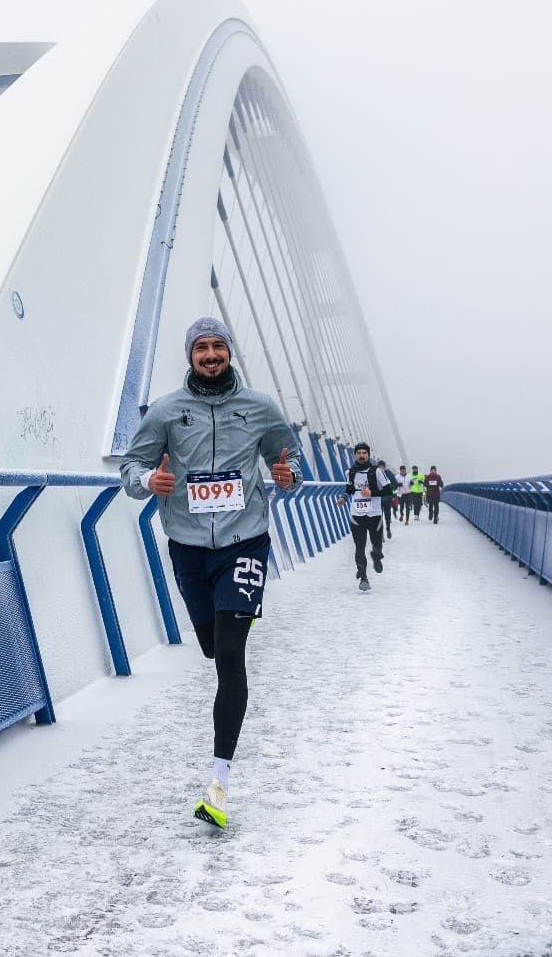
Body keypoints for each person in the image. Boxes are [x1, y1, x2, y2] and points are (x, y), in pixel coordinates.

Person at [121, 317, 302, 829]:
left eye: (217, 346)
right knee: (209, 644)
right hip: (188, 548)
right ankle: (219, 770)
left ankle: (218, 782)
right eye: (200, 347)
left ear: (229, 352)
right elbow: (130, 467)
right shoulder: (166, 412)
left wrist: (289, 475)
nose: (209, 354)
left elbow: (292, 461)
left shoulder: (261, 408)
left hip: (245, 543)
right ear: (190, 355)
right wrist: (146, 479)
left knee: (229, 653)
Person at [338, 442, 384, 590]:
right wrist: (344, 498)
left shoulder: (377, 472)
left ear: (368, 455)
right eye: (359, 453)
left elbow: (390, 490)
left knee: (377, 544)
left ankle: (377, 556)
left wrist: (372, 493)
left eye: (364, 453)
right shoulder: (350, 472)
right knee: (359, 547)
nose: (362, 455)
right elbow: (349, 488)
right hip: (357, 515)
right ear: (355, 455)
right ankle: (364, 578)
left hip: (374, 514)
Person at [377, 459, 397, 538]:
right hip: (378, 499)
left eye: (382, 466)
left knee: (387, 515)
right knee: (379, 517)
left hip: (387, 498)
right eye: (380, 467)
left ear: (385, 467)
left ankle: (388, 529)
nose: (381, 468)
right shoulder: (375, 474)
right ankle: (380, 533)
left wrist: (389, 489)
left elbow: (395, 484)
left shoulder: (389, 473)